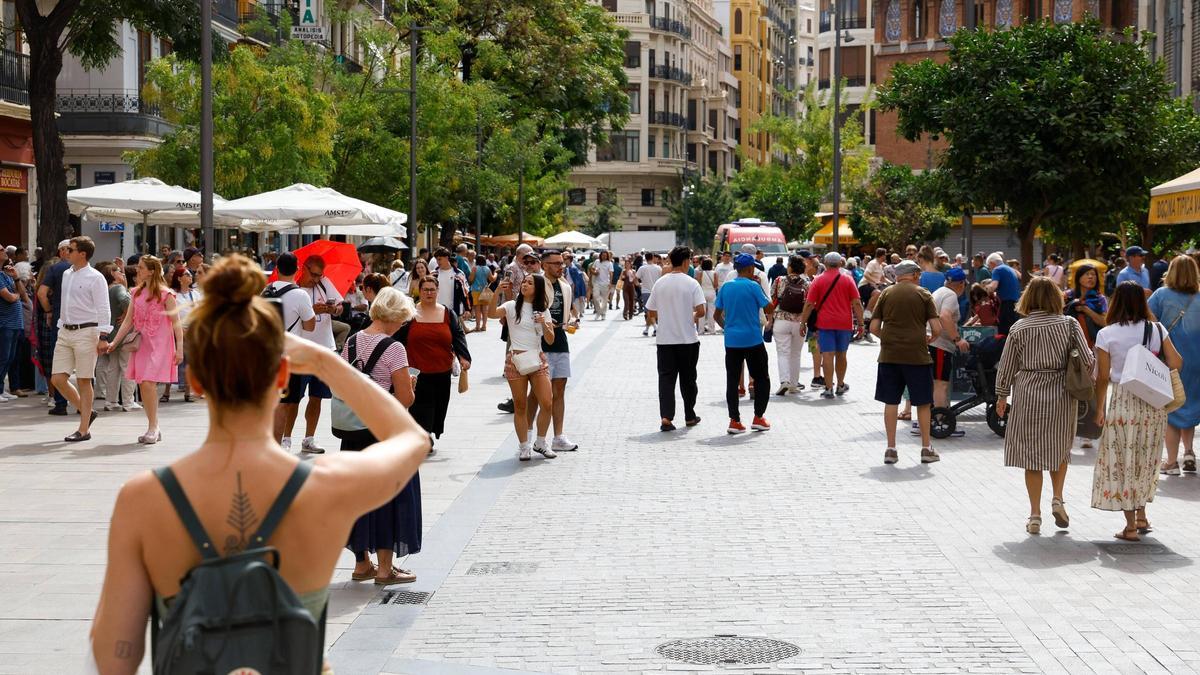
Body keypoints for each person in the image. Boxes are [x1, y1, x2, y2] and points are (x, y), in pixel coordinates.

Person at [88, 255, 430, 673]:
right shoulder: (324, 485)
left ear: (197, 382)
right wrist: (324, 363)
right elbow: (412, 439)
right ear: (282, 376)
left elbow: (113, 652)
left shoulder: (144, 498)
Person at [992, 277, 1092, 534]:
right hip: (1061, 392)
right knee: (1059, 449)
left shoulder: (1019, 328)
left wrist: (1002, 396)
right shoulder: (1069, 324)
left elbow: (1006, 366)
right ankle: (1057, 498)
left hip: (1028, 392)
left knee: (1031, 455)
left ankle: (1035, 515)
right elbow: (1088, 359)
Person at [340, 287, 423, 586]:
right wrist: (411, 386)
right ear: (394, 315)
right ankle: (386, 569)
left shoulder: (351, 342)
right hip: (384, 433)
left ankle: (362, 563)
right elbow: (404, 399)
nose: (402, 325)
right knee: (389, 496)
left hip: (354, 432)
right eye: (402, 319)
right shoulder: (394, 348)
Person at [1091, 282, 1183, 541]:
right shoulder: (1157, 329)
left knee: (1124, 460)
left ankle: (1130, 526)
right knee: (1146, 459)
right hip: (1153, 402)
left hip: (1123, 401)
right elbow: (1177, 362)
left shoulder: (1106, 334)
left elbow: (1103, 376)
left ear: (1116, 302)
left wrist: (1100, 408)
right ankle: (1142, 515)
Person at [870, 260, 942, 465]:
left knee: (891, 401)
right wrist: (929, 339)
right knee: (923, 403)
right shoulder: (923, 294)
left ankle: (891, 448)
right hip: (917, 356)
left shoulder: (886, 293)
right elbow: (936, 328)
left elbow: (874, 327)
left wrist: (888, 338)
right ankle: (926, 448)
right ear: (915, 275)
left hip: (889, 356)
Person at [106, 256, 184, 445]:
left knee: (148, 382)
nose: (137, 270)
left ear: (151, 271)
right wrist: (114, 342)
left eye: (141, 267)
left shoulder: (166, 295)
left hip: (160, 345)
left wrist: (180, 349)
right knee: (143, 384)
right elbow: (127, 322)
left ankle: (153, 427)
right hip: (142, 345)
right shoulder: (135, 293)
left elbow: (176, 323)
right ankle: (153, 425)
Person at [394, 275, 472, 452]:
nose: (429, 293)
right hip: (416, 372)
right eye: (425, 290)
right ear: (419, 291)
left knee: (439, 406)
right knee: (421, 407)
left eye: (432, 289)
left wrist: (464, 357)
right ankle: (423, 437)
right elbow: (397, 338)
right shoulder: (409, 314)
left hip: (442, 370)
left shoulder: (448, 313)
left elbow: (458, 336)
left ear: (438, 291)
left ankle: (426, 433)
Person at [50, 236, 111, 442]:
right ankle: (87, 412)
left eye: (71, 249)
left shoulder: (96, 277)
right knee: (57, 379)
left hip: (87, 332)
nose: (66, 252)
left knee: (84, 379)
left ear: (82, 254)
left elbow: (103, 308)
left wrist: (103, 336)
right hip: (65, 331)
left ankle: (84, 430)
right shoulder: (67, 273)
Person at [491, 273, 556, 460]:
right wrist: (497, 292)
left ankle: (541, 442)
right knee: (520, 405)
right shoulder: (512, 306)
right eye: (524, 282)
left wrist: (544, 324)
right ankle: (524, 446)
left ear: (538, 288)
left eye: (530, 283)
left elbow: (550, 340)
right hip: (516, 360)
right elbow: (491, 314)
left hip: (537, 359)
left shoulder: (543, 310)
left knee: (547, 403)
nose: (525, 284)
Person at [1148, 255, 1200, 476]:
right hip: (1196, 361)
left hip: (1170, 361)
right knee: (1190, 406)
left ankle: (1171, 462)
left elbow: (1149, 323)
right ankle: (1188, 452)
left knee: (1172, 410)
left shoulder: (1161, 295)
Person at [287, 255, 344, 454]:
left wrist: (333, 309)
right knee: (293, 398)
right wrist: (311, 311)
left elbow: (340, 307)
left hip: (324, 348)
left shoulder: (325, 284)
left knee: (317, 396)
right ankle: (286, 438)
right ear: (304, 268)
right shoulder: (294, 290)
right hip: (301, 351)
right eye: (313, 274)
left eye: (320, 275)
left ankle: (309, 438)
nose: (316, 279)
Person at [525, 250, 578, 454]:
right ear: (545, 265)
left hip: (560, 340)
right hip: (539, 342)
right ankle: (527, 438)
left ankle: (558, 437)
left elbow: (568, 310)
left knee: (560, 390)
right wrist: (544, 322)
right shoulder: (536, 282)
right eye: (556, 263)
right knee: (536, 393)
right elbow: (526, 308)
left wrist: (572, 320)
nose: (561, 266)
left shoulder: (565, 286)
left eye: (561, 263)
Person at [647, 246, 706, 431]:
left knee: (666, 379)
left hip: (665, 340)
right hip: (688, 340)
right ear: (687, 261)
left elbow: (651, 311)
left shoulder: (660, 283)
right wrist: (691, 316)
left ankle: (666, 417)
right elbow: (701, 310)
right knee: (688, 379)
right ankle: (689, 415)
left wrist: (667, 315)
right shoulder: (692, 283)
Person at [714, 253, 772, 434]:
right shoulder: (753, 286)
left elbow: (716, 315)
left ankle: (734, 421)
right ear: (750, 269)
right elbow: (769, 307)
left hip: (732, 341)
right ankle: (758, 417)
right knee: (762, 378)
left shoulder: (726, 287)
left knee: (732, 380)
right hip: (753, 339)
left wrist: (727, 328)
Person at [267, 253, 318, 452]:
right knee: (284, 403)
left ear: (277, 269)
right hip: (289, 356)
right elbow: (310, 326)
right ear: (297, 270)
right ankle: (276, 447)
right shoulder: (300, 295)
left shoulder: (266, 291)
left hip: (266, 355)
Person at [798, 252, 863, 399]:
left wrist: (803, 323)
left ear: (825, 264)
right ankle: (840, 385)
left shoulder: (818, 280)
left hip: (825, 323)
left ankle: (828, 388)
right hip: (844, 323)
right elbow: (857, 303)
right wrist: (861, 324)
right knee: (842, 354)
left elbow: (809, 304)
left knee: (827, 354)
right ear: (840, 263)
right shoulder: (848, 279)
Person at [929, 268, 970, 426]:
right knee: (941, 383)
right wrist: (957, 339)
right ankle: (940, 421)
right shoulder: (951, 295)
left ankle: (932, 418)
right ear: (961, 284)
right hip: (940, 345)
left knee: (935, 383)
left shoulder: (939, 292)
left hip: (932, 343)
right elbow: (945, 316)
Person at [96, 263, 136, 412]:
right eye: (118, 271)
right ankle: (128, 401)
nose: (122, 273)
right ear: (112, 274)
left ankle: (111, 401)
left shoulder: (106, 289)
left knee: (113, 368)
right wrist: (127, 314)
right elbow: (126, 301)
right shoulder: (118, 288)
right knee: (127, 366)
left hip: (111, 332)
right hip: (123, 333)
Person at [770, 256, 809, 395]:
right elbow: (809, 303)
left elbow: (772, 298)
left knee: (783, 352)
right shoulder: (807, 283)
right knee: (796, 354)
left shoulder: (779, 280)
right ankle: (793, 384)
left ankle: (784, 381)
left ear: (790, 267)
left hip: (781, 319)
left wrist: (769, 319)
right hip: (799, 322)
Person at [1064, 264, 1107, 347]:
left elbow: (1104, 323)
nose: (1090, 277)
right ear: (1079, 278)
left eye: (1093, 274)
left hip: (1093, 344)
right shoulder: (1067, 296)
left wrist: (1086, 309)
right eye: (1087, 274)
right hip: (1070, 342)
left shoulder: (1100, 299)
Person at [0, 247, 23, 402]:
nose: (4, 251)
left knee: (10, 358)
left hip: (15, 323)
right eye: (1, 249)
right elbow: (9, 297)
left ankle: (1, 389)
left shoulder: (5, 274)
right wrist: (16, 295)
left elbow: (22, 292)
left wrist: (16, 278)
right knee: (3, 358)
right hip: (5, 324)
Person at [986, 252, 1021, 334]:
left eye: (989, 267)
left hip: (1006, 304)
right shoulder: (1011, 269)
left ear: (992, 263)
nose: (990, 269)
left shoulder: (997, 270)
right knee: (1014, 330)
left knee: (1004, 332)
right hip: (1016, 304)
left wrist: (986, 288)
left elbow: (993, 286)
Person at [637, 252, 663, 336]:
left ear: (645, 258)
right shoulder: (658, 268)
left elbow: (635, 278)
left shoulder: (642, 268)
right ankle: (647, 329)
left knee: (648, 310)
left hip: (646, 291)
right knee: (654, 310)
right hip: (656, 291)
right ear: (652, 257)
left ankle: (655, 327)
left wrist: (639, 285)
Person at [694, 257, 720, 334]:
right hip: (711, 293)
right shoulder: (714, 273)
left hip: (702, 293)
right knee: (711, 312)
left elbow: (698, 284)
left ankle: (700, 330)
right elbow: (716, 285)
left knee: (702, 312)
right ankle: (712, 329)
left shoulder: (700, 273)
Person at [469, 255, 493, 331]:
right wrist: (495, 273)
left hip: (476, 290)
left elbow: (471, 279)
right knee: (485, 309)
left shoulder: (475, 268)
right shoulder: (487, 268)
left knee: (477, 309)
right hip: (485, 290)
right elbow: (492, 279)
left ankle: (478, 326)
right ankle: (484, 326)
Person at [589, 250, 615, 320]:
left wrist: (610, 283)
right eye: (603, 255)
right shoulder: (597, 261)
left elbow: (611, 273)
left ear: (607, 256)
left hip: (606, 283)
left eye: (605, 255)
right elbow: (592, 269)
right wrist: (595, 272)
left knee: (604, 299)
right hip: (597, 283)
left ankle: (603, 313)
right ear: (600, 255)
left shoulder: (609, 263)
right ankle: (598, 312)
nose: (604, 256)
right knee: (595, 296)